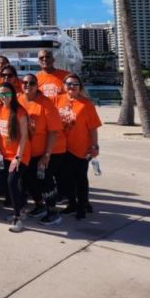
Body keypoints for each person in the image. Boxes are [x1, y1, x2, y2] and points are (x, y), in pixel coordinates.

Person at [19, 73, 65, 226]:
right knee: (30, 179)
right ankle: (40, 206)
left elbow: (53, 132)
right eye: (25, 82)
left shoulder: (46, 103)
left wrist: (47, 155)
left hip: (51, 150)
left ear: (37, 85)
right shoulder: (19, 99)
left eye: (32, 83)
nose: (28, 85)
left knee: (45, 179)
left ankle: (53, 212)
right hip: (30, 151)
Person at [56, 75, 102, 220]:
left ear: (80, 87)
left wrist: (94, 146)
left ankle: (82, 206)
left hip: (81, 149)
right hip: (62, 148)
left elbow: (93, 128)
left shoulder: (86, 104)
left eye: (75, 84)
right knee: (66, 179)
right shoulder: (58, 100)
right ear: (64, 85)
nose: (72, 87)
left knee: (80, 179)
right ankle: (72, 204)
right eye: (69, 84)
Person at [0, 82, 30, 233]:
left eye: (7, 93)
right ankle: (20, 209)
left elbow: (24, 137)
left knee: (12, 181)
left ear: (13, 94)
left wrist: (18, 157)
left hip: (20, 155)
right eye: (1, 93)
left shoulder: (20, 112)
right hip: (4, 154)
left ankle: (18, 218)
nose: (4, 96)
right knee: (3, 182)